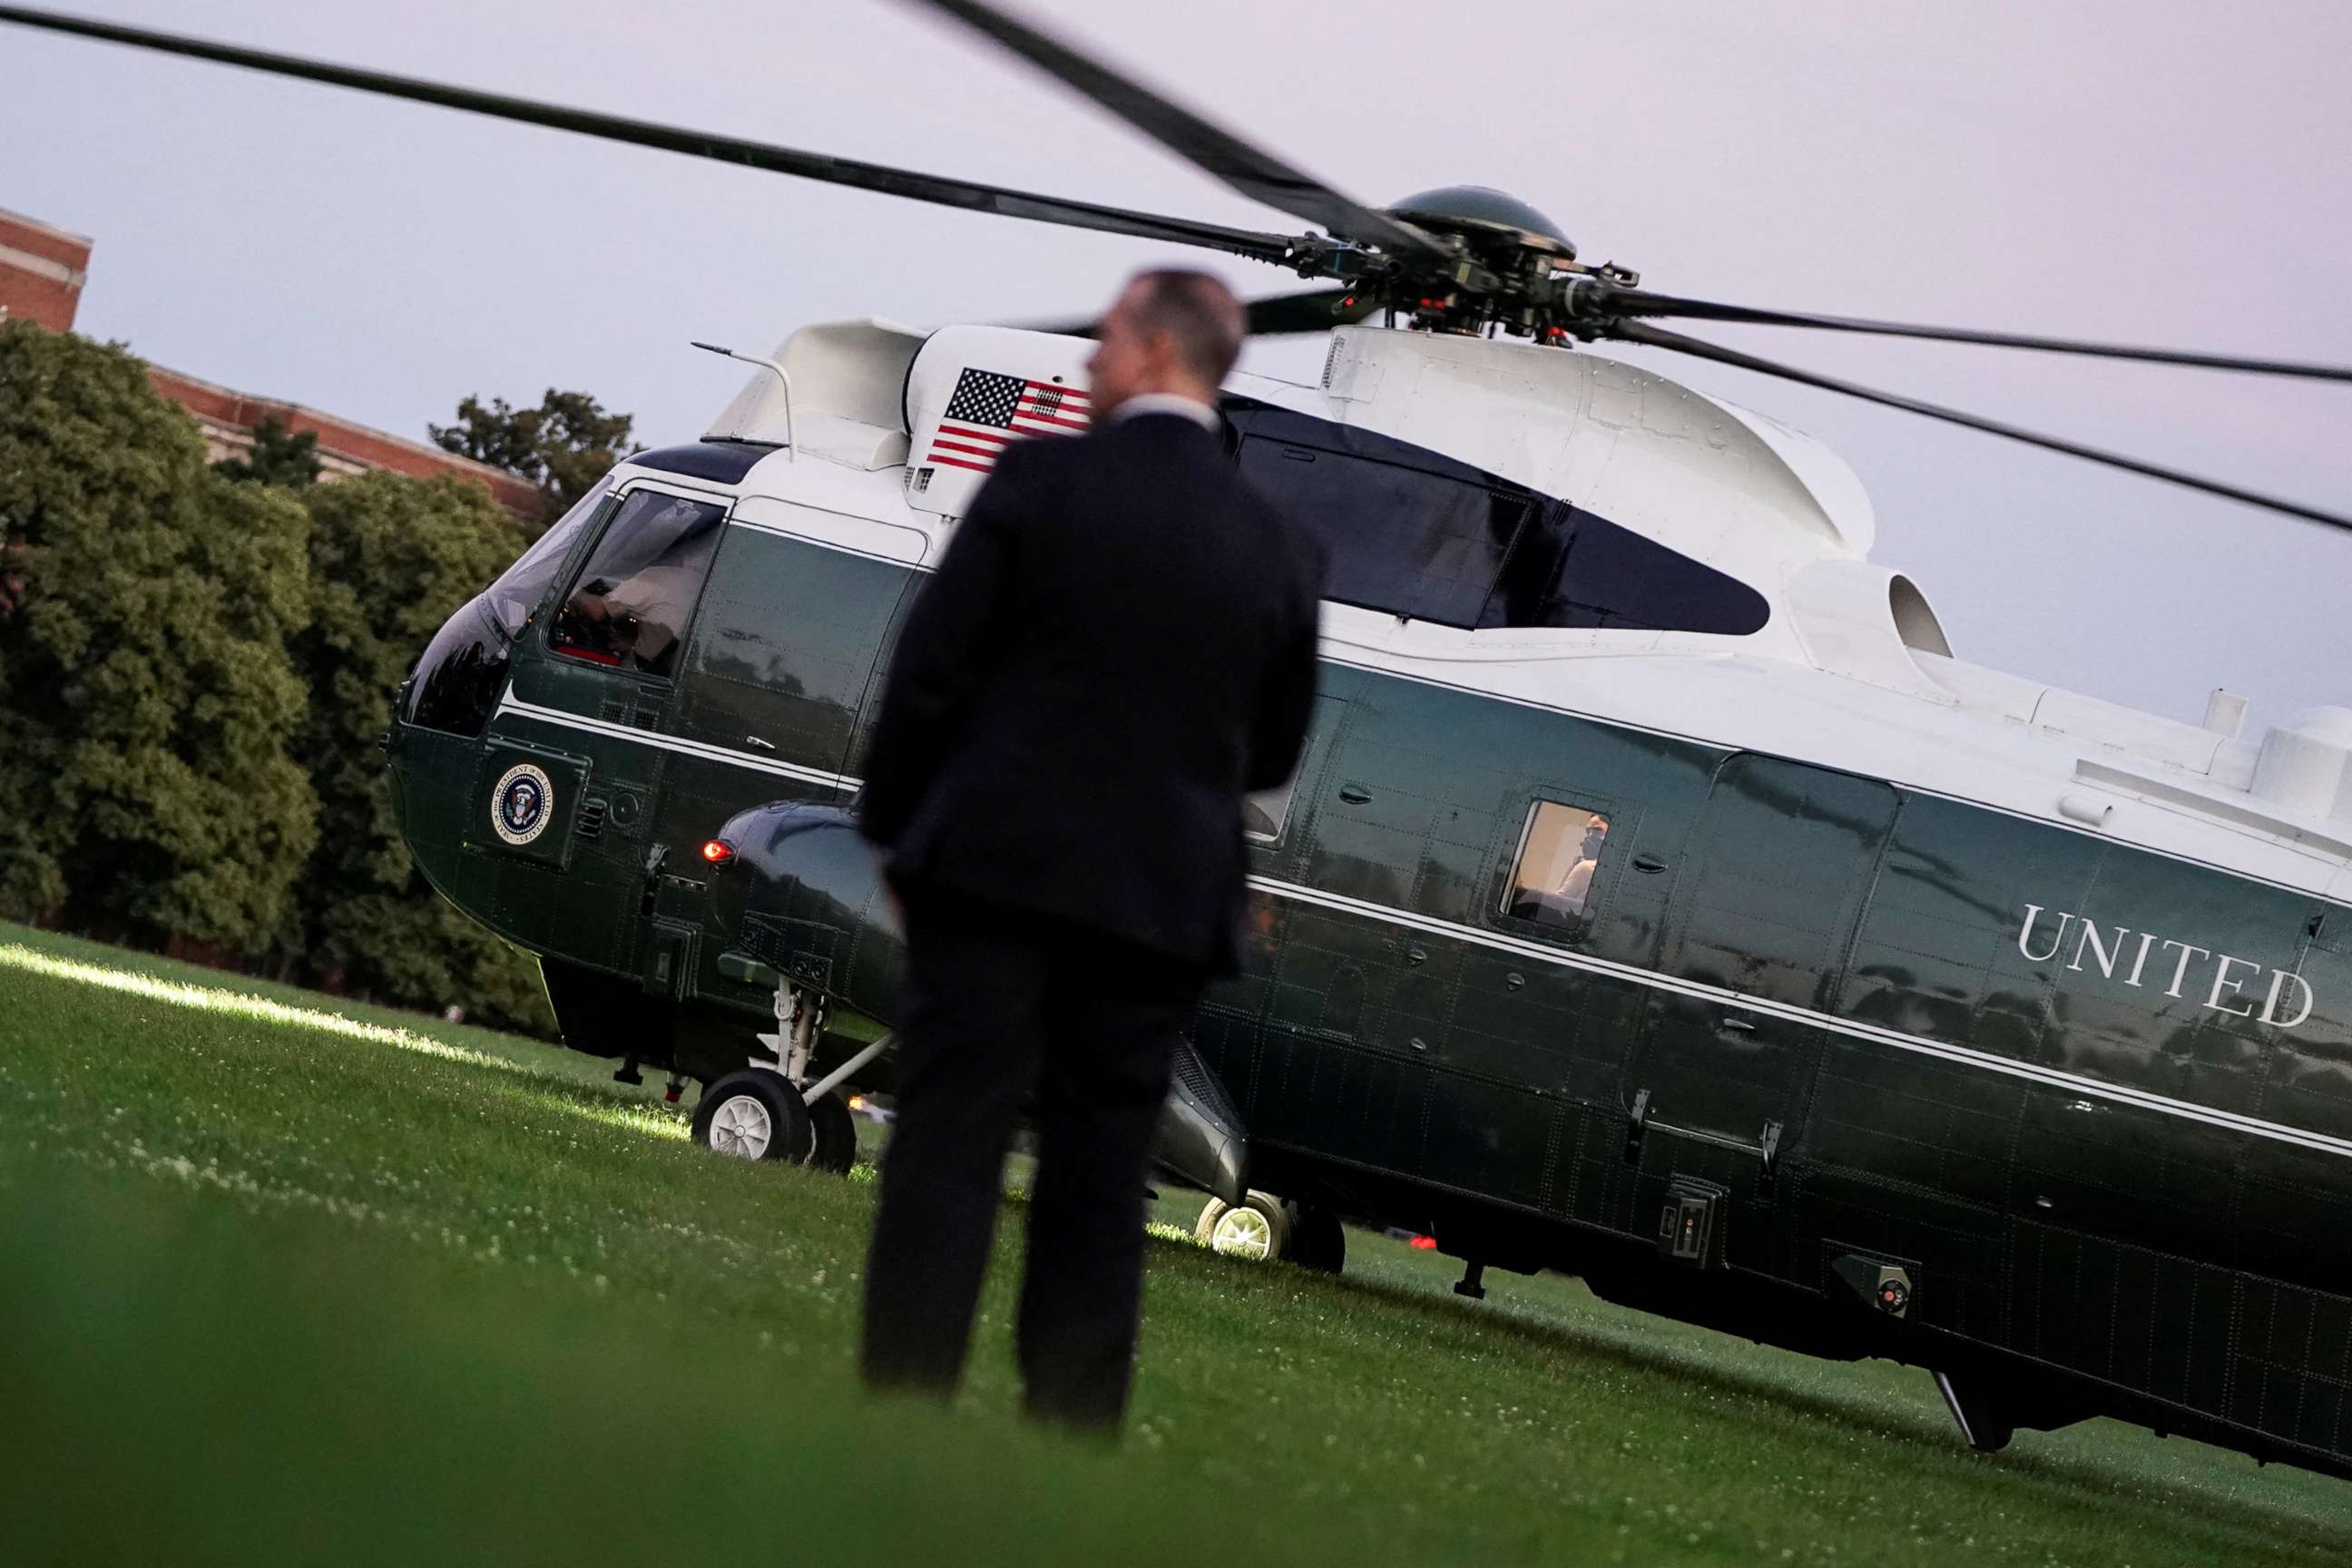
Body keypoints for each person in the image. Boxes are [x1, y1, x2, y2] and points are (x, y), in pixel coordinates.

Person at [854, 269, 1325, 1434]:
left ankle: (903, 1399)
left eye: (1108, 339)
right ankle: (1068, 1431)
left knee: (950, 1137)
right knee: (1102, 1173)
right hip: (1160, 900)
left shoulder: (1041, 480)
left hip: (995, 871)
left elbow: (930, 673)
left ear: (1159, 350)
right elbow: (1272, 745)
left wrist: (895, 837)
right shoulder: (1280, 544)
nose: (1090, 362)